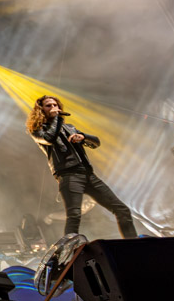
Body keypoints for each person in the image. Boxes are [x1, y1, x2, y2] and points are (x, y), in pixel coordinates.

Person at [28, 95, 137, 238]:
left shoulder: (70, 128)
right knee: (74, 215)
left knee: (122, 210)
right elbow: (50, 138)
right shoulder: (38, 130)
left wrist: (83, 137)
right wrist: (57, 119)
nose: (54, 108)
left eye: (55, 105)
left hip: (88, 174)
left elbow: (96, 143)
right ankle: (70, 248)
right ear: (41, 110)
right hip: (68, 175)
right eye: (49, 105)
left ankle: (133, 243)